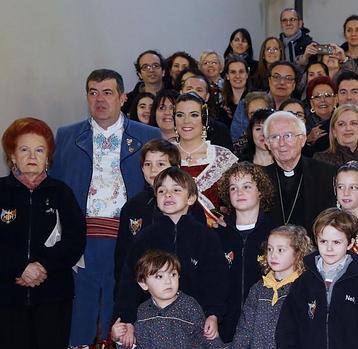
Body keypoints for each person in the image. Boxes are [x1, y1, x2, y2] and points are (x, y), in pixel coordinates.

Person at [50, 69, 160, 347]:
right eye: (93, 92)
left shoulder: (149, 135)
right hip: (81, 237)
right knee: (81, 309)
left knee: (123, 304)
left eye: (107, 92)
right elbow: (57, 189)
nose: (99, 99)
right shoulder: (66, 136)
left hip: (131, 236)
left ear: (123, 98)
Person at [114, 167, 229, 347]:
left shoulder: (206, 237)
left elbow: (217, 280)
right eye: (162, 191)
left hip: (193, 324)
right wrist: (126, 320)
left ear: (191, 198)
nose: (168, 195)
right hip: (151, 322)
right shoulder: (145, 237)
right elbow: (128, 282)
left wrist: (213, 314)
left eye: (176, 190)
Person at [0, 117, 86, 349]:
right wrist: (21, 267)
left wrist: (42, 266)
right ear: (12, 156)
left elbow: (75, 240)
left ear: (48, 157)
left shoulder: (61, 192)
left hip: (54, 295)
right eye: (24, 150)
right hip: (7, 297)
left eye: (39, 150)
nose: (32, 157)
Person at [275, 207, 358, 348]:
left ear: (350, 243)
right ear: (316, 240)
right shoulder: (303, 283)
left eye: (336, 242)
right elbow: (286, 330)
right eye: (323, 241)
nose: (329, 248)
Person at [113, 139, 205, 289]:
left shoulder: (190, 206)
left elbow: (199, 254)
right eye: (147, 164)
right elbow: (122, 256)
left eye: (161, 164)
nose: (153, 170)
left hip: (182, 288)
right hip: (141, 290)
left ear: (176, 168)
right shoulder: (132, 207)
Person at [214, 162, 277, 343]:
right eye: (233, 188)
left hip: (264, 327)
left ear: (261, 192)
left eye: (247, 186)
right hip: (225, 327)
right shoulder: (217, 235)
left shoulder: (276, 234)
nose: (239, 192)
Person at [111, 250, 222, 349]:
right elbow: (137, 345)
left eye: (173, 274)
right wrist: (119, 339)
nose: (168, 281)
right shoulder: (142, 312)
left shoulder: (189, 306)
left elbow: (210, 341)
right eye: (159, 276)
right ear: (143, 284)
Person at [231, 225, 314, 349]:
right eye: (270, 249)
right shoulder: (258, 289)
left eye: (280, 250)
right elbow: (244, 330)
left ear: (298, 253)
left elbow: (308, 332)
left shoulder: (304, 289)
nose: (273, 255)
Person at [263, 111, 336, 234]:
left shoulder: (327, 174)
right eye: (275, 137)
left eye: (288, 136)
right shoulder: (260, 178)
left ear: (302, 139)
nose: (282, 143)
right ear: (267, 144)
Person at [173, 92, 238, 227]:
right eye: (180, 115)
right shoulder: (164, 155)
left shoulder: (223, 157)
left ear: (204, 119)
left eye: (194, 115)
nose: (186, 121)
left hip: (214, 236)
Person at [230, 61, 297, 141]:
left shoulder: (297, 109)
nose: (282, 82)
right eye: (276, 77)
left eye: (288, 78)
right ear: (269, 80)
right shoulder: (248, 102)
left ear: (294, 84)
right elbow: (235, 138)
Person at [178, 73, 233, 150]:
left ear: (207, 97)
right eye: (189, 89)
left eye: (199, 90)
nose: (193, 93)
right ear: (181, 93)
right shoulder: (172, 123)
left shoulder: (220, 130)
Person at [313, 104, 358, 171]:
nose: (348, 128)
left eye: (354, 123)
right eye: (341, 124)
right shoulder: (320, 160)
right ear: (334, 131)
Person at [123, 50, 165, 115]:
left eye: (155, 66)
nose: (151, 70)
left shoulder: (174, 97)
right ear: (139, 74)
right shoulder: (127, 101)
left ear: (163, 71)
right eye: (145, 67)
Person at [305, 76, 337, 154]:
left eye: (327, 96)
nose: (323, 100)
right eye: (317, 97)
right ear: (311, 103)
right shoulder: (303, 125)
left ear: (336, 100)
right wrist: (308, 140)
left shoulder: (342, 121)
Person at [222, 56, 250, 124]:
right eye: (233, 72)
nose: (237, 76)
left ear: (247, 75)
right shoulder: (222, 104)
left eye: (241, 72)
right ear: (227, 76)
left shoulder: (255, 100)